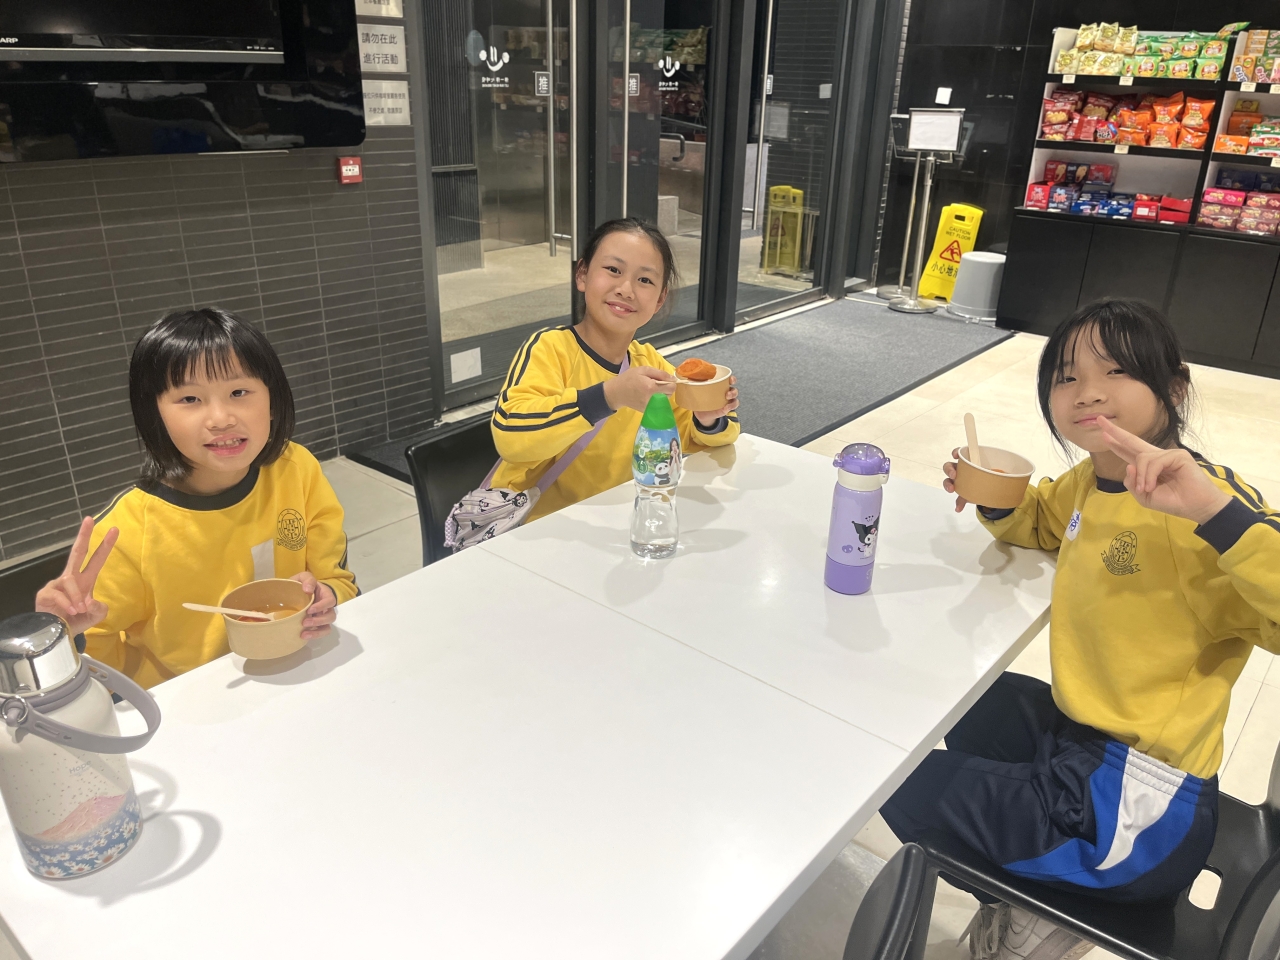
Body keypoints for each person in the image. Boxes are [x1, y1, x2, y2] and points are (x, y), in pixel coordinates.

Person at [881, 299, 1280, 960]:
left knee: (897, 784)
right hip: (1083, 740)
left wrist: (1218, 515)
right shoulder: (1094, 479)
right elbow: (1043, 520)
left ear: (1175, 389)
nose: (1087, 392)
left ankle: (1039, 914)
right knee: (965, 697)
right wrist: (994, 497)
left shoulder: (1201, 506)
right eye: (1066, 376)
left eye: (1116, 370)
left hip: (1140, 807)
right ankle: (1025, 879)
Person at [35, 308, 359, 688]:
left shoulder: (296, 468)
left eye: (238, 392)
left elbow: (337, 579)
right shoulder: (126, 534)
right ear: (154, 414)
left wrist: (326, 595)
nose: (220, 418)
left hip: (302, 669)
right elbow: (101, 673)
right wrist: (66, 638)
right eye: (190, 398)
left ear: (272, 399)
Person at [491, 218, 740, 520]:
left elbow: (702, 434)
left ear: (660, 299)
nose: (626, 289)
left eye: (645, 280)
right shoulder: (550, 348)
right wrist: (609, 396)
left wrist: (708, 418)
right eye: (613, 270)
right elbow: (510, 436)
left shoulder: (649, 363)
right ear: (582, 275)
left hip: (617, 521)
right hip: (536, 525)